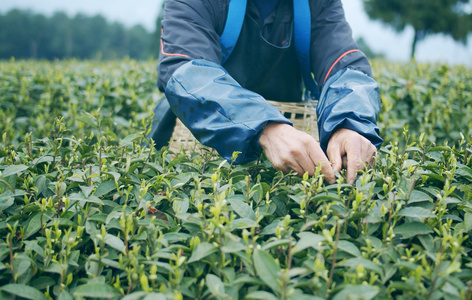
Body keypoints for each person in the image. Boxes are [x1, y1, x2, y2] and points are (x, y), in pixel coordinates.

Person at [149, 0, 382, 185]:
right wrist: (265, 126)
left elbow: (346, 68)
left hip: (287, 153)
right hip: (193, 144)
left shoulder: (317, 4)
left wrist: (348, 124)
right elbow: (185, 73)